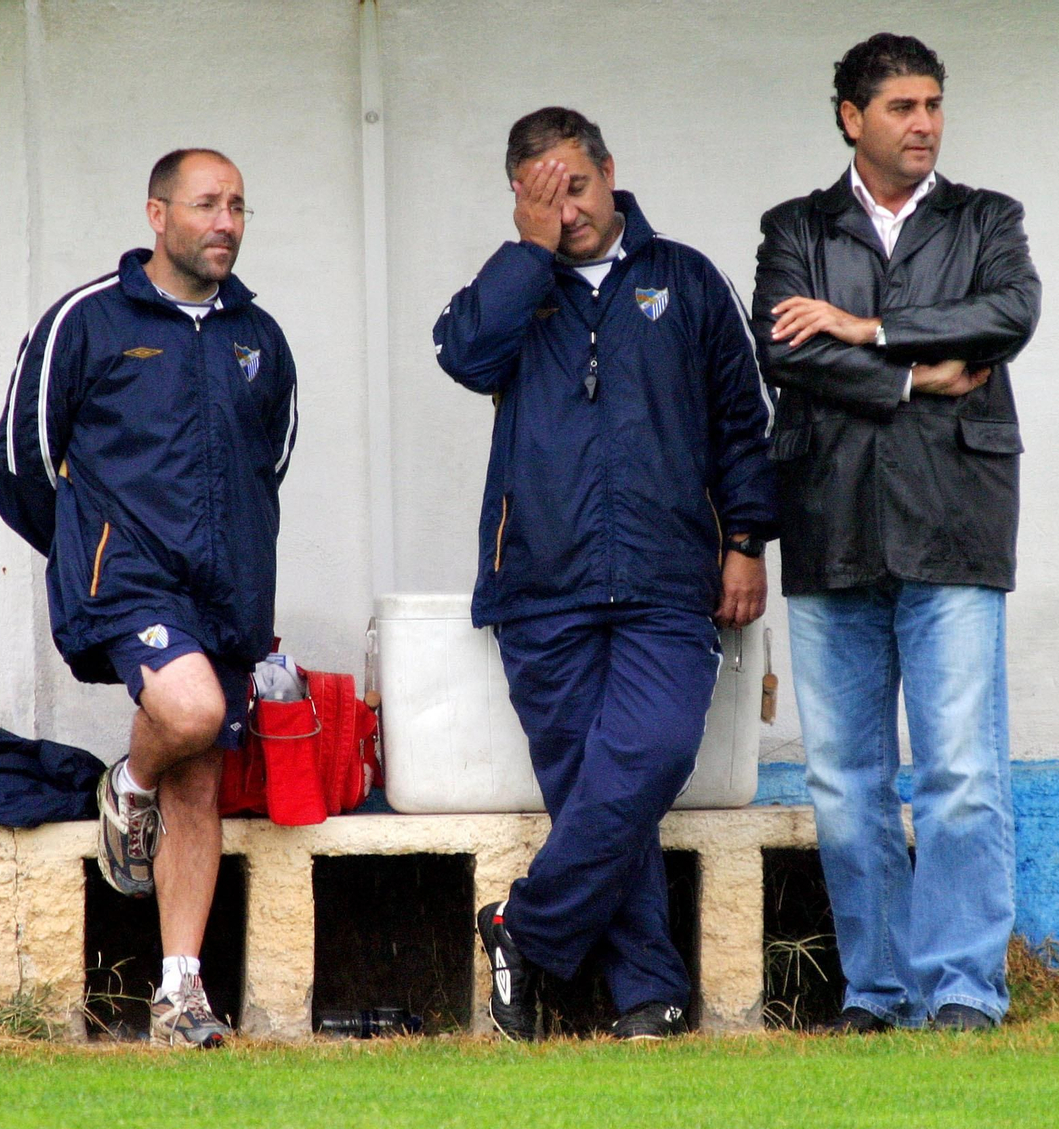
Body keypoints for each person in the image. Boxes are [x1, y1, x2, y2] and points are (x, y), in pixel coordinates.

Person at [434, 107, 777, 1041]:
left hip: (671, 578)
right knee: (590, 788)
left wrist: (745, 539)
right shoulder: (514, 288)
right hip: (541, 584)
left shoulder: (685, 279)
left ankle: (523, 927)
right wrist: (527, 254)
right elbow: (463, 356)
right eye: (541, 195)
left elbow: (743, 421)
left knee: (652, 754)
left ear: (610, 172)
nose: (565, 208)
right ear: (518, 200)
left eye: (575, 186)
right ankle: (650, 995)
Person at [751, 34, 1041, 1031]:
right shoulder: (794, 226)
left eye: (932, 105)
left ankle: (961, 987)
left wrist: (863, 329)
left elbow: (1007, 312)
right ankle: (876, 989)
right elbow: (780, 351)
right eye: (901, 107)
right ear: (850, 116)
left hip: (954, 521)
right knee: (843, 781)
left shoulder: (984, 218)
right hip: (829, 522)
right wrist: (916, 374)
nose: (923, 124)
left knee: (960, 767)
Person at [0, 148, 298, 1048]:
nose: (226, 223)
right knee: (189, 710)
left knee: (198, 782)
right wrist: (90, 549)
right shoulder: (87, 320)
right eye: (207, 204)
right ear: (157, 216)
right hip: (128, 579)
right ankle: (126, 783)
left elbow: (271, 462)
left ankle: (179, 993)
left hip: (227, 588)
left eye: (238, 205)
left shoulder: (260, 337)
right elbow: (20, 463)